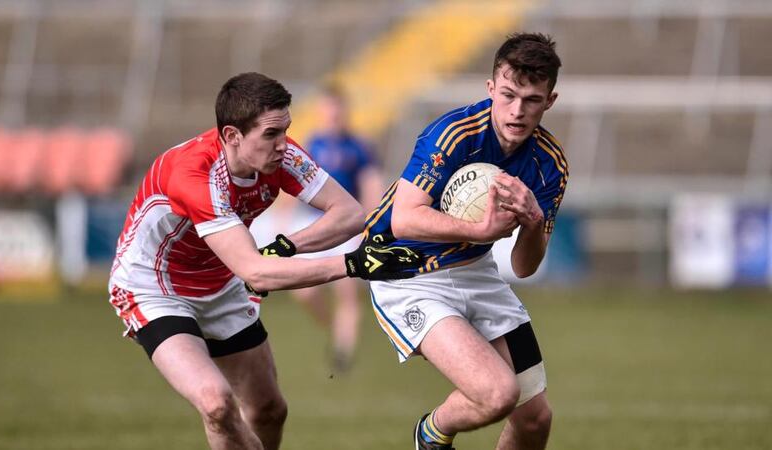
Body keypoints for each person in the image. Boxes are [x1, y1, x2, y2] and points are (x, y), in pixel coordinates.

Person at [107, 72, 421, 450]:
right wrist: (351, 264)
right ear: (232, 137)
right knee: (216, 403)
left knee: (269, 409)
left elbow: (349, 213)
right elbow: (256, 271)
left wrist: (289, 245)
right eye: (271, 134)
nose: (283, 144)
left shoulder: (283, 156)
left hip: (221, 283)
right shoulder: (195, 175)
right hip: (154, 288)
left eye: (285, 130)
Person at [363, 33, 568, 449]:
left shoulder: (549, 166)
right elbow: (404, 218)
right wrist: (480, 231)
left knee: (534, 420)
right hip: (405, 270)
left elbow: (525, 266)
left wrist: (532, 222)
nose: (517, 110)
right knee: (497, 394)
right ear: (490, 89)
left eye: (531, 100)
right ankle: (432, 433)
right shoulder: (453, 135)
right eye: (508, 95)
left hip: (475, 272)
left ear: (550, 101)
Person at [290, 85, 383, 372]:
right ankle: (331, 325)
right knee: (303, 290)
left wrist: (368, 222)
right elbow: (290, 181)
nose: (332, 114)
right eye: (328, 108)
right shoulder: (310, 144)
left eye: (337, 108)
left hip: (345, 224)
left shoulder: (358, 148)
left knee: (346, 290)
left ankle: (343, 352)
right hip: (311, 221)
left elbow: (371, 186)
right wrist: (282, 219)